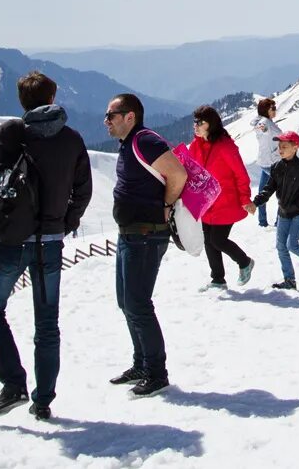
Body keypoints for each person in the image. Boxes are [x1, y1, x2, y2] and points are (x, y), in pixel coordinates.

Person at [0, 72, 93, 421]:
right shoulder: (71, 139)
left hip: (10, 241)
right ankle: (43, 401)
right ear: (53, 97)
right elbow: (83, 190)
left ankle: (13, 383)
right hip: (50, 244)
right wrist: (65, 223)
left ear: (22, 101)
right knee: (47, 323)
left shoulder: (12, 134)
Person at [105, 94, 188, 397]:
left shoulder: (145, 140)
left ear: (130, 116)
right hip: (131, 234)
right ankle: (141, 363)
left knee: (138, 303)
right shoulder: (130, 143)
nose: (106, 121)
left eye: (111, 115)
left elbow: (178, 173)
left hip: (145, 234)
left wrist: (166, 205)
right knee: (126, 302)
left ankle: (156, 372)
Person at [178, 106, 255, 291]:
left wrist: (245, 199)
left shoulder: (225, 146)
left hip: (226, 202)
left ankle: (245, 262)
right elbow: (191, 170)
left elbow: (241, 174)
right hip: (206, 203)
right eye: (194, 122)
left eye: (200, 123)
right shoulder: (196, 145)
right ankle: (218, 280)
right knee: (208, 240)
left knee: (218, 240)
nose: (195, 126)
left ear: (210, 124)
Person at [253, 132, 299, 290]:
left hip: (298, 214)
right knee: (281, 246)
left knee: (292, 245)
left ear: (295, 147)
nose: (280, 150)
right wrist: (256, 203)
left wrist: (297, 205)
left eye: (284, 147)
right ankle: (289, 280)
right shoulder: (277, 167)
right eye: (279, 146)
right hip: (283, 213)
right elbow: (269, 188)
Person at [250, 98, 281, 228]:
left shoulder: (262, 121)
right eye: (272, 108)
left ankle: (262, 221)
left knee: (262, 192)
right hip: (272, 162)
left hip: (265, 161)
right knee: (283, 193)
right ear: (266, 110)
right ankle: (280, 222)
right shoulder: (266, 123)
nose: (275, 110)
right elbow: (266, 130)